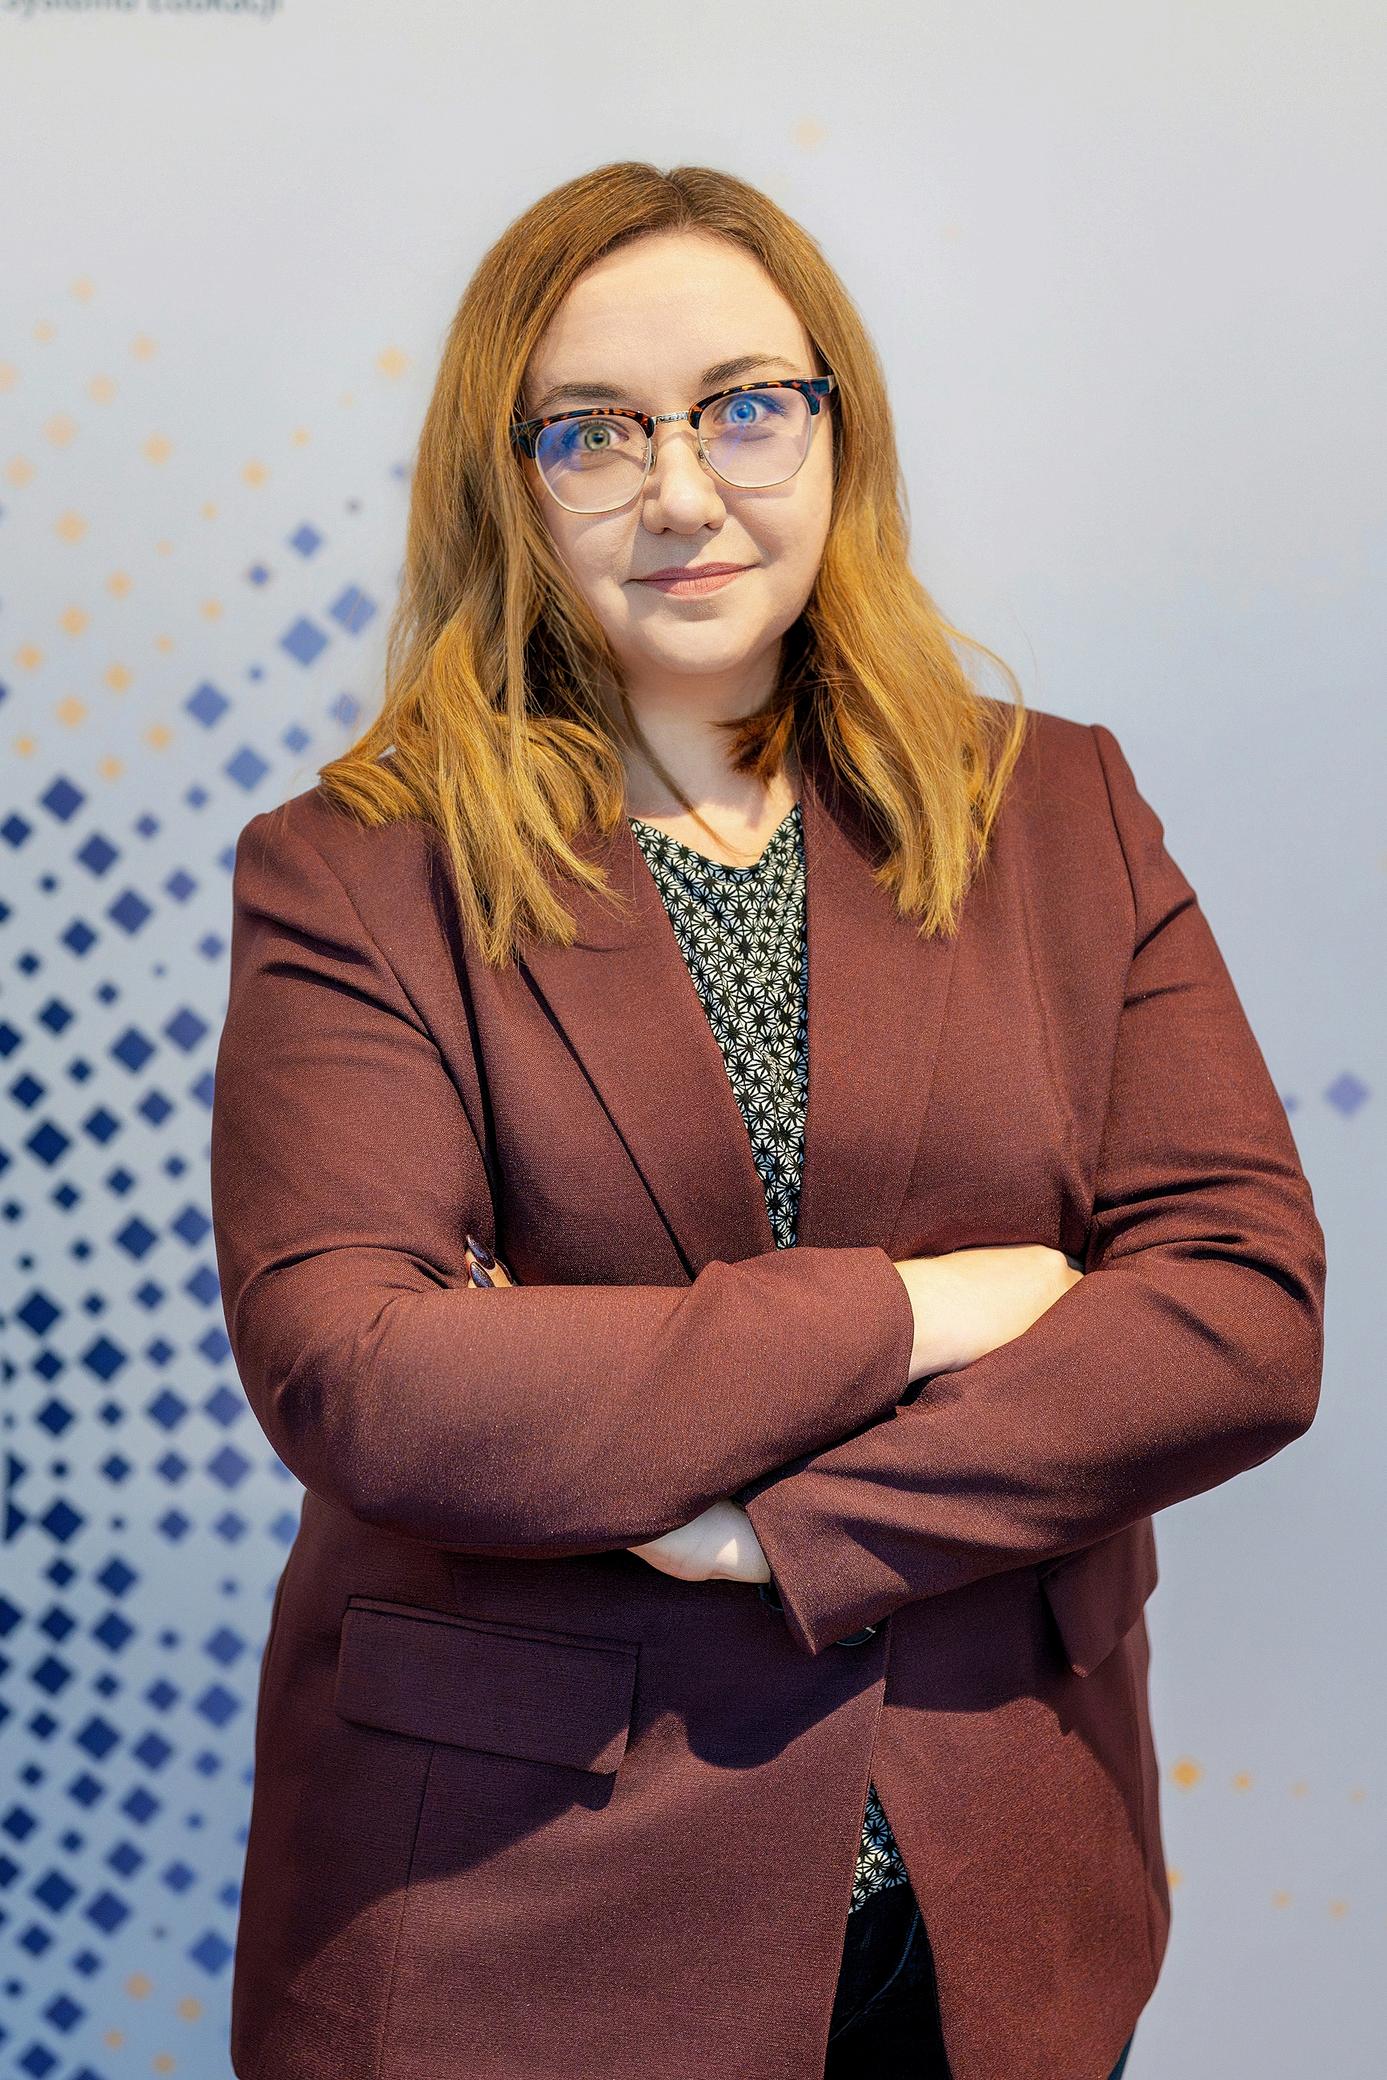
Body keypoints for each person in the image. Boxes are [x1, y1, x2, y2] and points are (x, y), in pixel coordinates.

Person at [209, 161, 1326, 2080]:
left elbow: (1242, 1314)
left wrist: (789, 1532)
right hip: (518, 1926)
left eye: (744, 407)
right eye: (594, 432)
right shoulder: (356, 870)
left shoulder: (1059, 809)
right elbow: (369, 1377)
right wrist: (926, 1309)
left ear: (836, 428)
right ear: (506, 483)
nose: (683, 491)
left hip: (994, 1902)